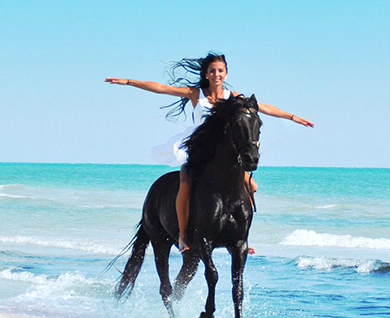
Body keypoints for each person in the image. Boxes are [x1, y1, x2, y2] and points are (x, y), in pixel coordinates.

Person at [105, 52, 314, 253]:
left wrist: (292, 117)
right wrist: (127, 82)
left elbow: (262, 107)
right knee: (185, 185)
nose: (216, 75)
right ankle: (183, 235)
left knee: (252, 186)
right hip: (199, 151)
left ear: (226, 74)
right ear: (206, 74)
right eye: (212, 71)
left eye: (220, 71)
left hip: (222, 155)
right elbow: (161, 88)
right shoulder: (196, 94)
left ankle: (241, 236)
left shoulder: (232, 97)